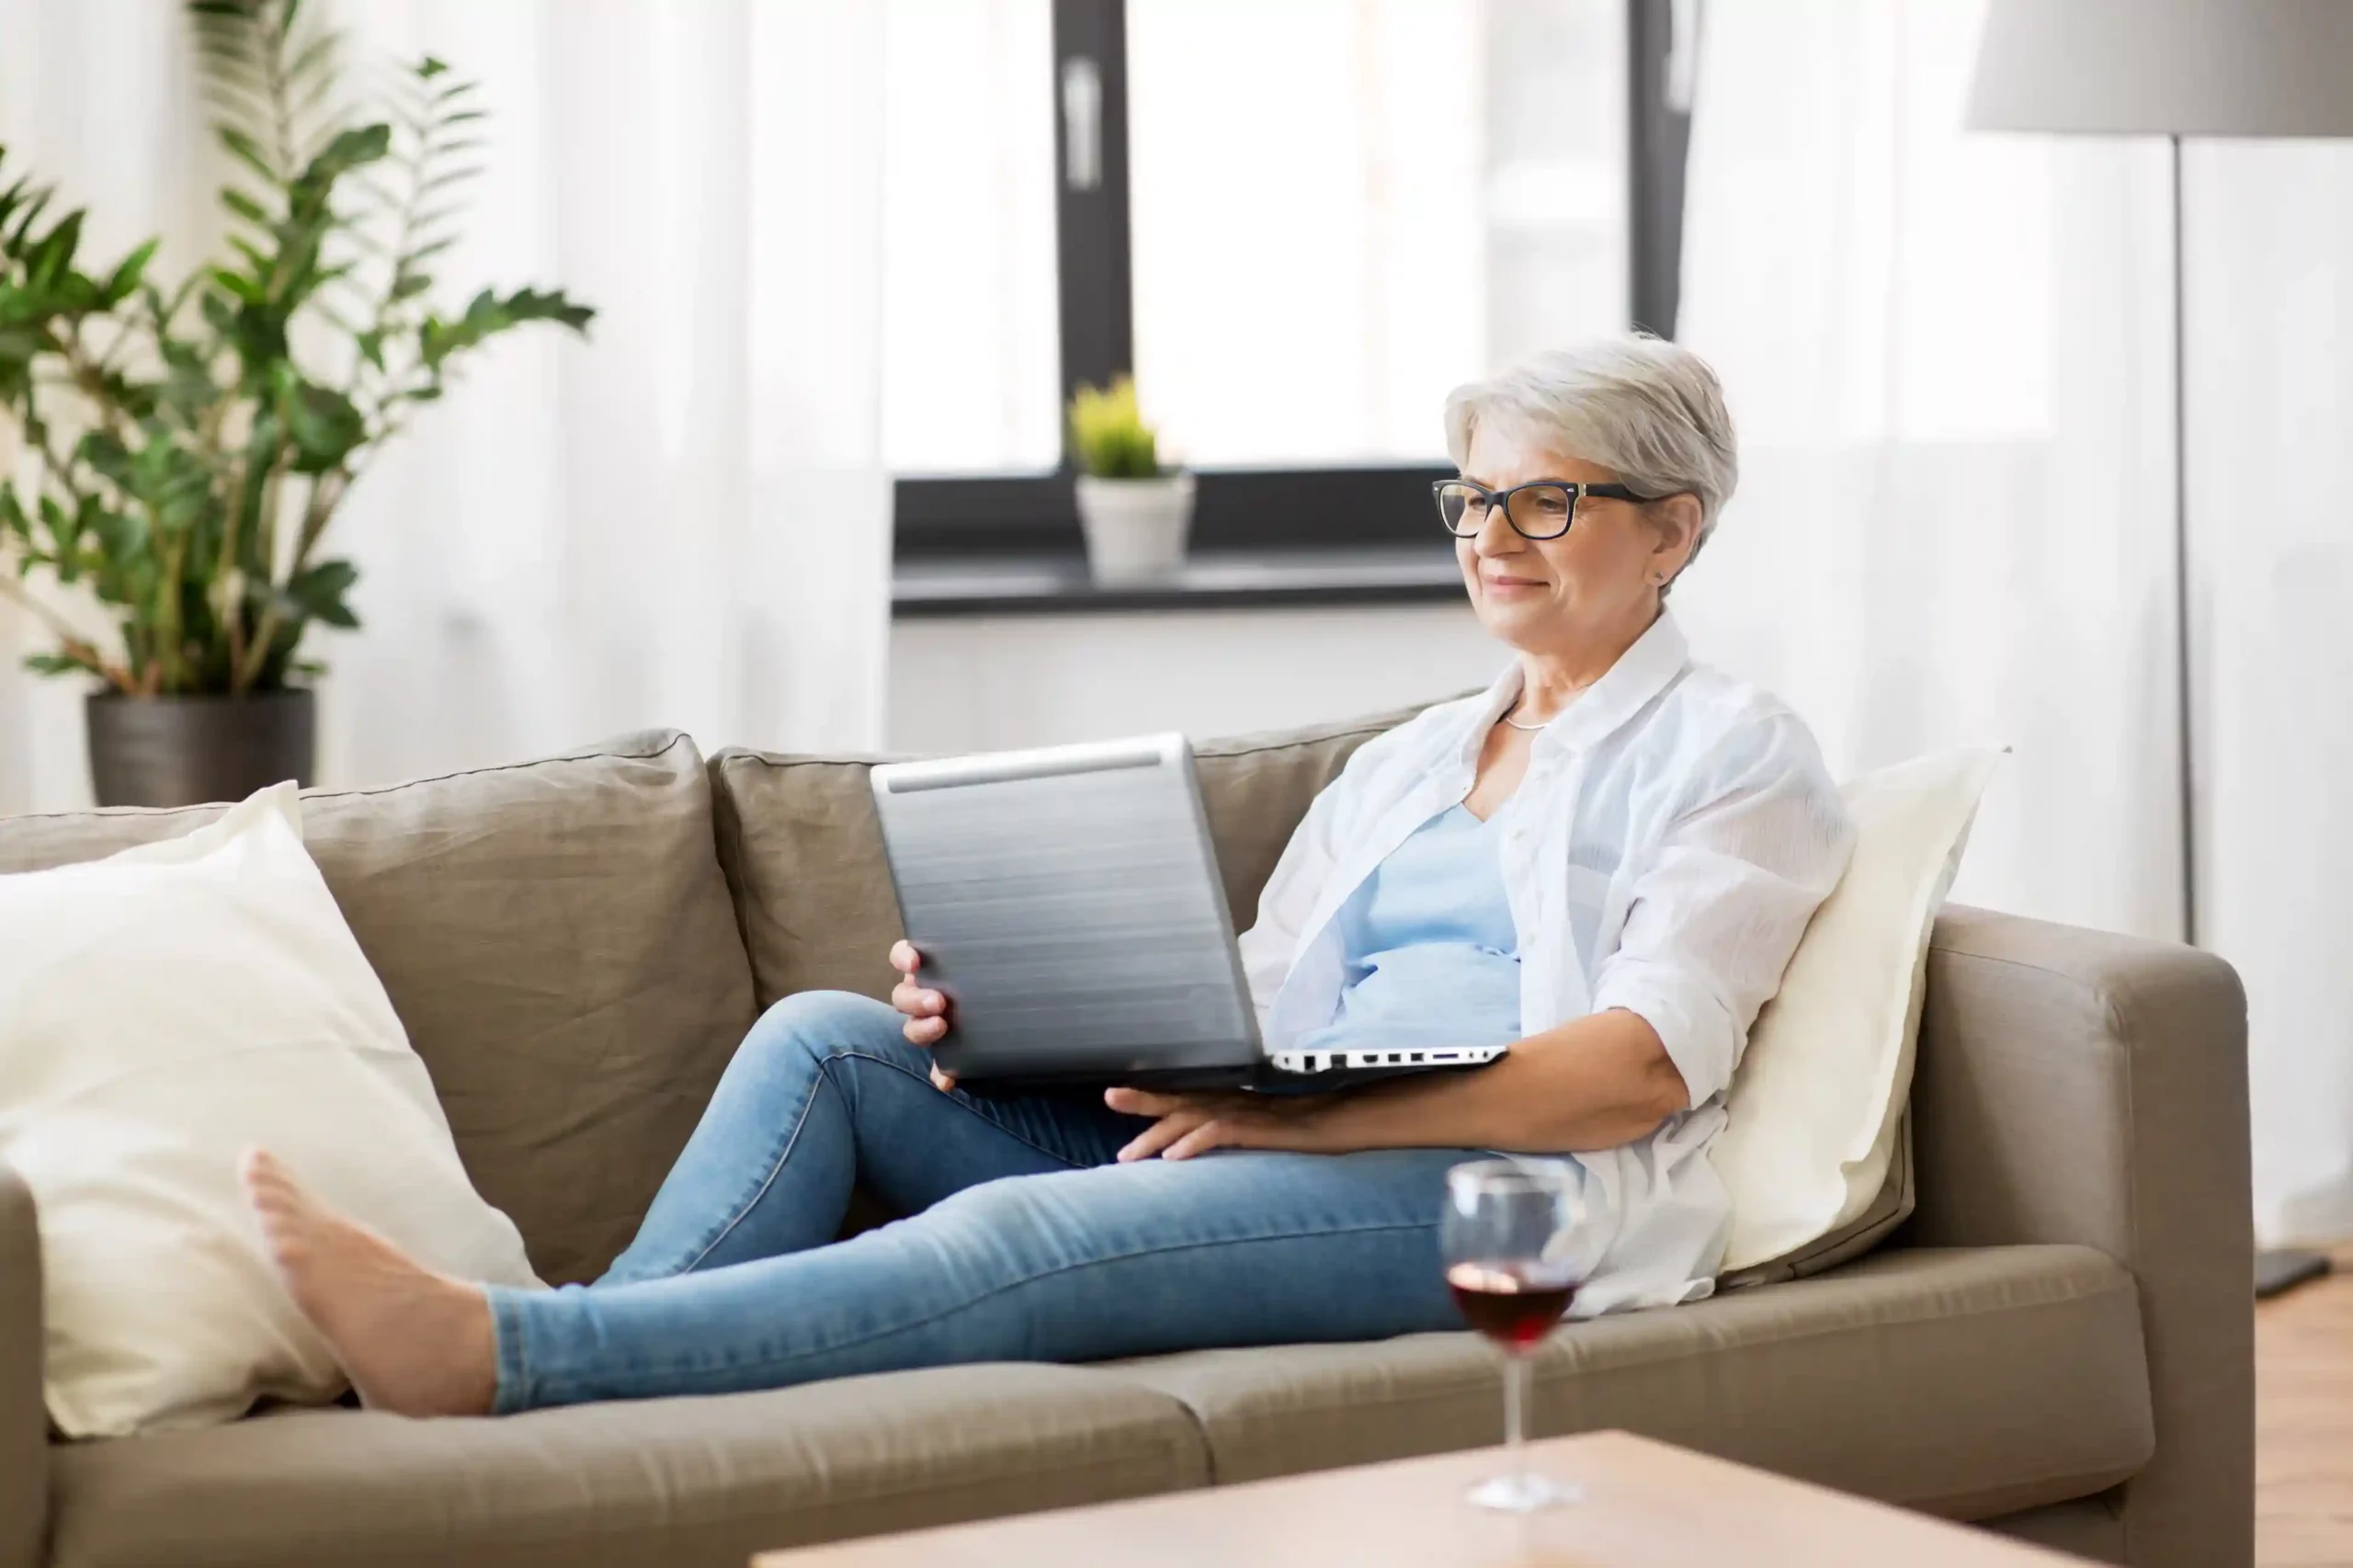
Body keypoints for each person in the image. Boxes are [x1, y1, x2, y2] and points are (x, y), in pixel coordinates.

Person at [241, 336, 1858, 1417]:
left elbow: (1636, 1072)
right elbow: (1250, 998)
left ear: (1674, 530)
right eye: (1473, 498)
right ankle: (583, 1360)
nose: (1492, 534)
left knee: (1028, 1224)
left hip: (1510, 1200)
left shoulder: (1736, 754)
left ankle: (518, 1353)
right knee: (829, 1041)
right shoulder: (1413, 759)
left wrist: (1318, 1117)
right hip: (1289, 1123)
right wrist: (1024, 1017)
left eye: (1546, 499)